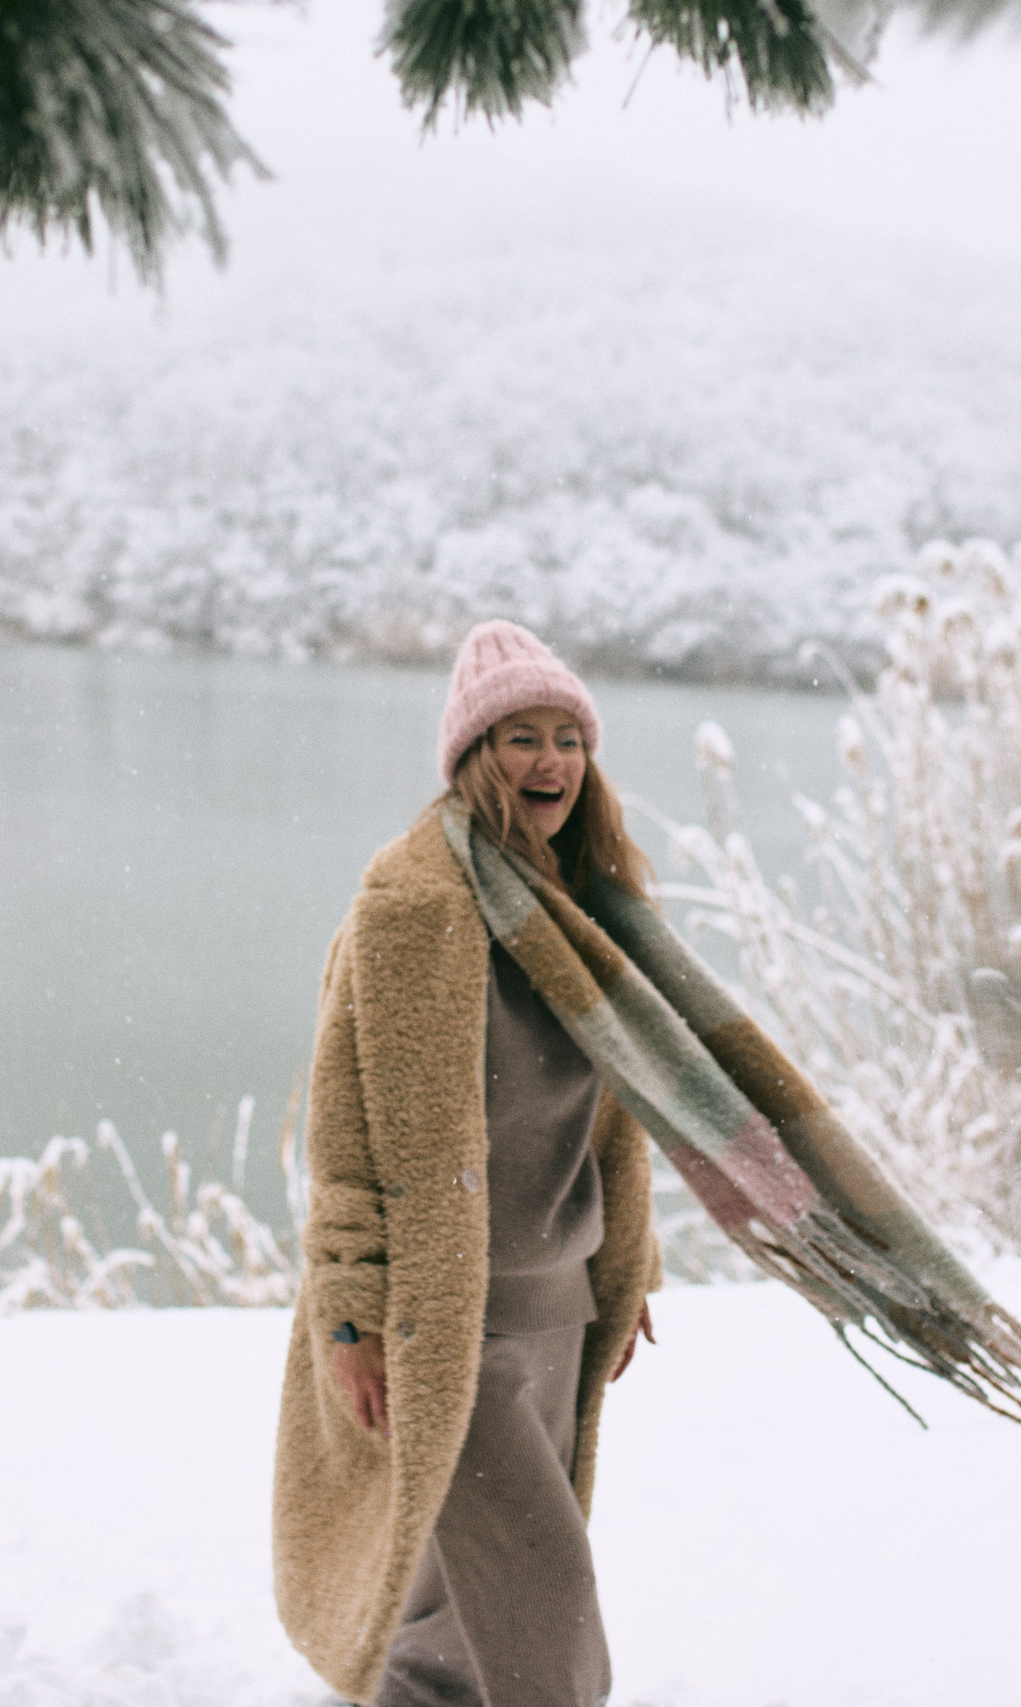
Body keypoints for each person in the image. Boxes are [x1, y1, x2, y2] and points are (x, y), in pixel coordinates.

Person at [272, 619, 663, 1707]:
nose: (549, 763)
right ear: (470, 757)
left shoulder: (587, 907)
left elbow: (611, 1117)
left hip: (558, 1308)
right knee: (544, 1610)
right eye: (519, 739)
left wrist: (628, 1264)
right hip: (453, 1328)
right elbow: (345, 1130)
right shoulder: (414, 909)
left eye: (567, 739)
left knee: (449, 1614)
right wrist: (349, 1315)